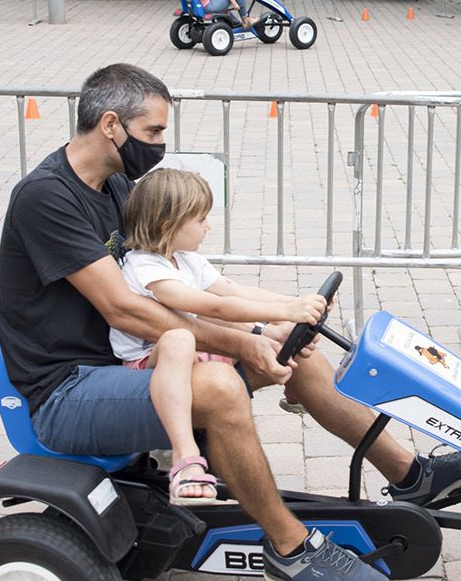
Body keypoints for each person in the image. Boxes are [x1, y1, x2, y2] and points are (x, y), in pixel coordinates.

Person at [0, 64, 461, 581]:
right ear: (111, 125)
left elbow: (187, 288)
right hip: (66, 389)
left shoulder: (112, 186)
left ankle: (411, 474)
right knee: (221, 387)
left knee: (297, 354)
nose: (160, 144)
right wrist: (244, 339)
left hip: (130, 364)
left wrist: (270, 327)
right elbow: (126, 310)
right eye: (153, 132)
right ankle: (290, 547)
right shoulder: (47, 197)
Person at [112, 168, 327, 502]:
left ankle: (290, 379)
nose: (207, 226)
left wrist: (297, 304)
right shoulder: (146, 268)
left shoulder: (185, 259)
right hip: (149, 362)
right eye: (201, 219)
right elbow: (212, 307)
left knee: (262, 335)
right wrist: (286, 312)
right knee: (181, 337)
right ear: (170, 225)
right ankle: (184, 459)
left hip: (196, 353)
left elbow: (232, 290)